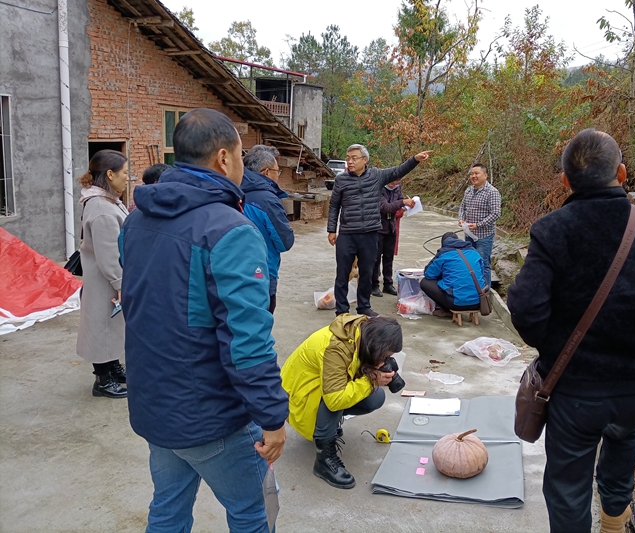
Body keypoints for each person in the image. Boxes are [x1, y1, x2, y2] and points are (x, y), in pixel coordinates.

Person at [507, 129, 635, 533]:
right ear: (621, 173)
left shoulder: (553, 229)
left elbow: (526, 308)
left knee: (568, 484)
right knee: (624, 438)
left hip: (577, 390)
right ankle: (614, 523)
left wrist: (555, 344)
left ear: (565, 181)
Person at [119, 108, 288, 533]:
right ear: (223, 159)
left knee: (168, 508)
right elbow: (247, 340)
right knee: (251, 510)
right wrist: (272, 416)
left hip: (154, 404)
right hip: (210, 415)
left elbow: (146, 303)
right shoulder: (229, 229)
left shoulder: (136, 220)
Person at [281, 315, 401, 489]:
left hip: (317, 388)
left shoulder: (362, 334)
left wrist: (374, 368)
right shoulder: (336, 349)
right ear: (376, 346)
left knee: (375, 397)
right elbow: (334, 399)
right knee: (336, 401)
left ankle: (327, 426)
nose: (385, 361)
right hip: (297, 399)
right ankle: (324, 461)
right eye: (385, 356)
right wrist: (371, 380)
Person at [327, 144, 432, 317]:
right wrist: (332, 229)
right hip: (347, 233)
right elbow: (334, 205)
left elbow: (398, 171)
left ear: (364, 160)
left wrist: (415, 159)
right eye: (348, 158)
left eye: (354, 158)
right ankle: (342, 310)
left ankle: (363, 307)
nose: (350, 161)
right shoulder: (341, 180)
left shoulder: (376, 176)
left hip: (369, 233)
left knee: (367, 272)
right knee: (343, 273)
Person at [76, 149, 129, 399]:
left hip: (109, 277)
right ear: (110, 174)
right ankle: (103, 380)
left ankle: (113, 367)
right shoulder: (100, 208)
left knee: (112, 327)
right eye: (124, 173)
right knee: (102, 328)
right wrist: (120, 283)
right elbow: (108, 253)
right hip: (106, 279)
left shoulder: (107, 200)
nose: (127, 177)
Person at [241, 145, 294, 314]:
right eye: (277, 171)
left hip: (231, 270)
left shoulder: (231, 191)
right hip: (261, 273)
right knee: (260, 324)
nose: (278, 176)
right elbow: (285, 242)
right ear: (265, 172)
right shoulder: (268, 200)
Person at [421, 232, 485, 318]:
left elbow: (429, 274)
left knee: (425, 282)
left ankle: (446, 310)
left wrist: (437, 257)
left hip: (456, 303)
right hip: (479, 302)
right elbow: (482, 272)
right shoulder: (474, 252)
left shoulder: (444, 254)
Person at [458, 163, 501, 290]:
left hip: (484, 236)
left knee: (483, 263)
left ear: (485, 175)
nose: (473, 176)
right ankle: (473, 288)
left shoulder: (492, 192)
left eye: (476, 173)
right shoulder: (468, 190)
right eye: (471, 174)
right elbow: (462, 207)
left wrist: (478, 225)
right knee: (470, 262)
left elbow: (496, 213)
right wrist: (461, 219)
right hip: (469, 234)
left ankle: (484, 293)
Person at [371, 179, 414, 298]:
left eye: (397, 183)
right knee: (375, 257)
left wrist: (405, 206)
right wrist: (402, 202)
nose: (394, 185)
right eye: (392, 183)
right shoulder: (378, 187)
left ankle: (388, 283)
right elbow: (385, 207)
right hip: (378, 227)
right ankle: (373, 284)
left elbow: (399, 202)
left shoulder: (397, 188)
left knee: (389, 257)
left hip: (391, 226)